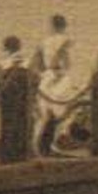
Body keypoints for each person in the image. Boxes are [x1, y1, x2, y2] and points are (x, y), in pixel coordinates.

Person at [31, 14, 74, 155]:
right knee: (63, 114)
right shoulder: (67, 41)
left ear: (52, 26)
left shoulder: (43, 42)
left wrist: (44, 74)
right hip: (61, 78)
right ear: (64, 26)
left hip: (46, 78)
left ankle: (36, 146)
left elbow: (35, 65)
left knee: (44, 116)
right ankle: (54, 145)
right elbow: (65, 61)